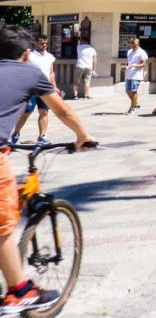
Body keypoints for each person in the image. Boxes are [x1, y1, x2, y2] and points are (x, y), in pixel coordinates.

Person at [0, 24, 96, 313]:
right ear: (26, 54)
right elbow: (62, 110)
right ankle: (19, 292)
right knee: (3, 222)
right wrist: (83, 137)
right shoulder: (30, 73)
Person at [11, 35, 57, 144]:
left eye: (46, 42)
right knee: (26, 113)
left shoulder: (50, 57)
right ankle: (16, 134)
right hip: (31, 89)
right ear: (35, 43)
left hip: (45, 89)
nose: (44, 45)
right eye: (41, 42)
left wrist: (54, 86)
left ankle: (42, 137)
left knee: (44, 112)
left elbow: (51, 72)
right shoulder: (30, 56)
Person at [123, 36, 149, 115]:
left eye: (134, 44)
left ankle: (132, 108)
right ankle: (136, 105)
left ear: (138, 44)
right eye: (131, 44)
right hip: (129, 74)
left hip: (136, 74)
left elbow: (143, 64)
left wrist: (134, 65)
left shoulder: (142, 52)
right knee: (128, 91)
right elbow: (129, 62)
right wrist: (126, 66)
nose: (133, 45)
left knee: (134, 91)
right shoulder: (129, 51)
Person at [72, 34, 97, 100]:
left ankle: (75, 96)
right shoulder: (92, 48)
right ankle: (86, 96)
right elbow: (95, 59)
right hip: (89, 67)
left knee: (76, 82)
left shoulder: (78, 47)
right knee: (87, 82)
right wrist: (94, 68)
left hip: (80, 65)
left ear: (82, 40)